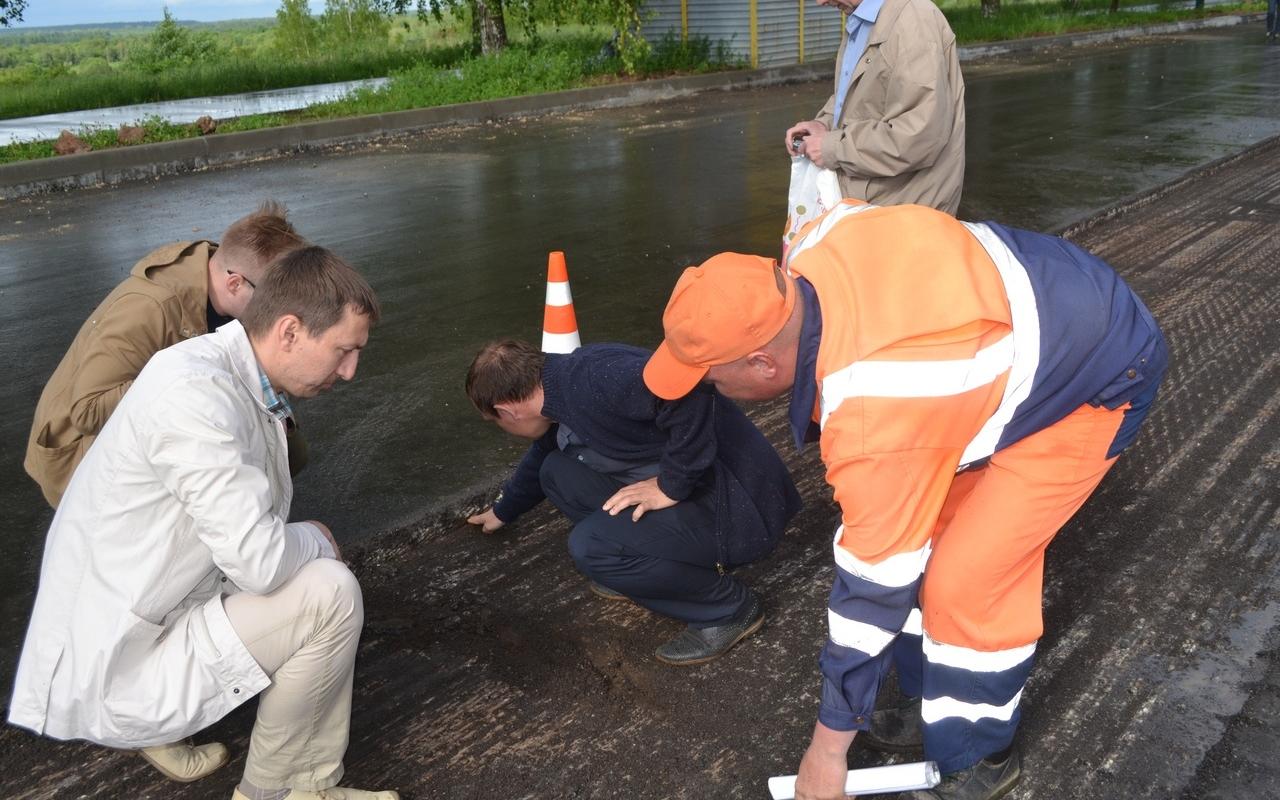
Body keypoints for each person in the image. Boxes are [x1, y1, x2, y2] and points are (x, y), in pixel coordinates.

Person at [643, 200, 1167, 799]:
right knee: (927, 535)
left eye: (711, 379)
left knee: (969, 579)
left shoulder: (879, 408)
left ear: (762, 363)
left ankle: (980, 756)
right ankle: (935, 709)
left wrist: (827, 749)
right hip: (1023, 317)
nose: (713, 393)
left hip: (1097, 373)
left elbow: (872, 586)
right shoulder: (814, 245)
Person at [8, 247, 398, 800]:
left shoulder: (233, 376)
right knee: (327, 594)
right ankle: (279, 792)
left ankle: (303, 783)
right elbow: (261, 562)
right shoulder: (195, 394)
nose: (351, 371)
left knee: (322, 587)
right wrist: (314, 537)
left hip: (160, 613)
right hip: (121, 663)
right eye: (345, 350)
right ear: (289, 331)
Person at [464, 340, 802, 665]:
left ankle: (729, 611)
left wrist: (671, 485)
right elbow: (543, 452)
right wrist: (503, 511)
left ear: (506, 410)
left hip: (741, 507)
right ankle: (646, 568)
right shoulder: (557, 385)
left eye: (496, 422)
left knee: (592, 547)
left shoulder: (596, 380)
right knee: (555, 471)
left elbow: (689, 395)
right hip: (712, 489)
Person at [24, 199, 309, 509]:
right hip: (79, 459)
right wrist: (203, 383)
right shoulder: (150, 307)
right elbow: (87, 410)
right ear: (235, 283)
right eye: (273, 301)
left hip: (145, 430)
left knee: (287, 455)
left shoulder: (226, 279)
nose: (278, 312)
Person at [783, 0, 966, 215]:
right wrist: (823, 123)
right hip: (875, 208)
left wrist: (833, 148)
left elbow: (918, 135)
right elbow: (857, 94)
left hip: (904, 215)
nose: (820, 2)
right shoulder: (864, 19)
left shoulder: (912, 19)